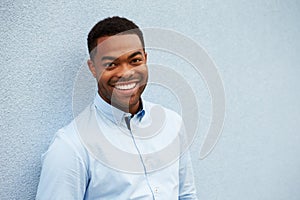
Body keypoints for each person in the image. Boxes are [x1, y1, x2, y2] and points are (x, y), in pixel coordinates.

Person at [36, 16, 198, 200]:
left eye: (135, 60)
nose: (126, 73)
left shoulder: (172, 124)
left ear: (145, 59)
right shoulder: (70, 147)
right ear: (93, 68)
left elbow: (186, 195)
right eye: (111, 64)